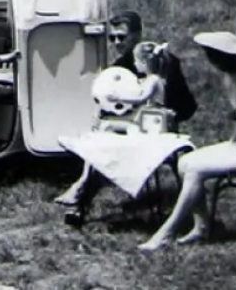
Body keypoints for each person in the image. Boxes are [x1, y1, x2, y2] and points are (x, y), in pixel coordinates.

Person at [137, 31, 236, 251]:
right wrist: (231, 144)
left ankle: (165, 233)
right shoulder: (229, 78)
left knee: (195, 170)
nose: (212, 62)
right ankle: (201, 226)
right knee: (185, 162)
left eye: (214, 56)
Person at [53, 11, 198, 210]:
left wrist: (170, 115)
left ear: (137, 35)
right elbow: (110, 105)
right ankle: (81, 194)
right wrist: (102, 110)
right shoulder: (118, 68)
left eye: (121, 37)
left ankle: (80, 193)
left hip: (154, 127)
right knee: (103, 134)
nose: (116, 43)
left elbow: (187, 106)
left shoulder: (162, 63)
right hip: (134, 123)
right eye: (112, 38)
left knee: (106, 138)